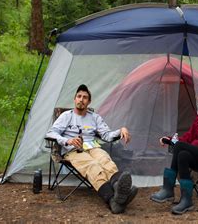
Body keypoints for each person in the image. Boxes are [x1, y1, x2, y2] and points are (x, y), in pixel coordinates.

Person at [46, 84, 137, 214]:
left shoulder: (95, 117)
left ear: (89, 102)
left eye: (85, 97)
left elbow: (106, 135)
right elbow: (51, 133)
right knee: (93, 165)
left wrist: (121, 130)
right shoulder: (66, 116)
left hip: (93, 147)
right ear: (74, 99)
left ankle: (119, 191)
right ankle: (113, 200)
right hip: (73, 150)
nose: (81, 99)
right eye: (79, 96)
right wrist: (67, 140)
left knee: (105, 160)